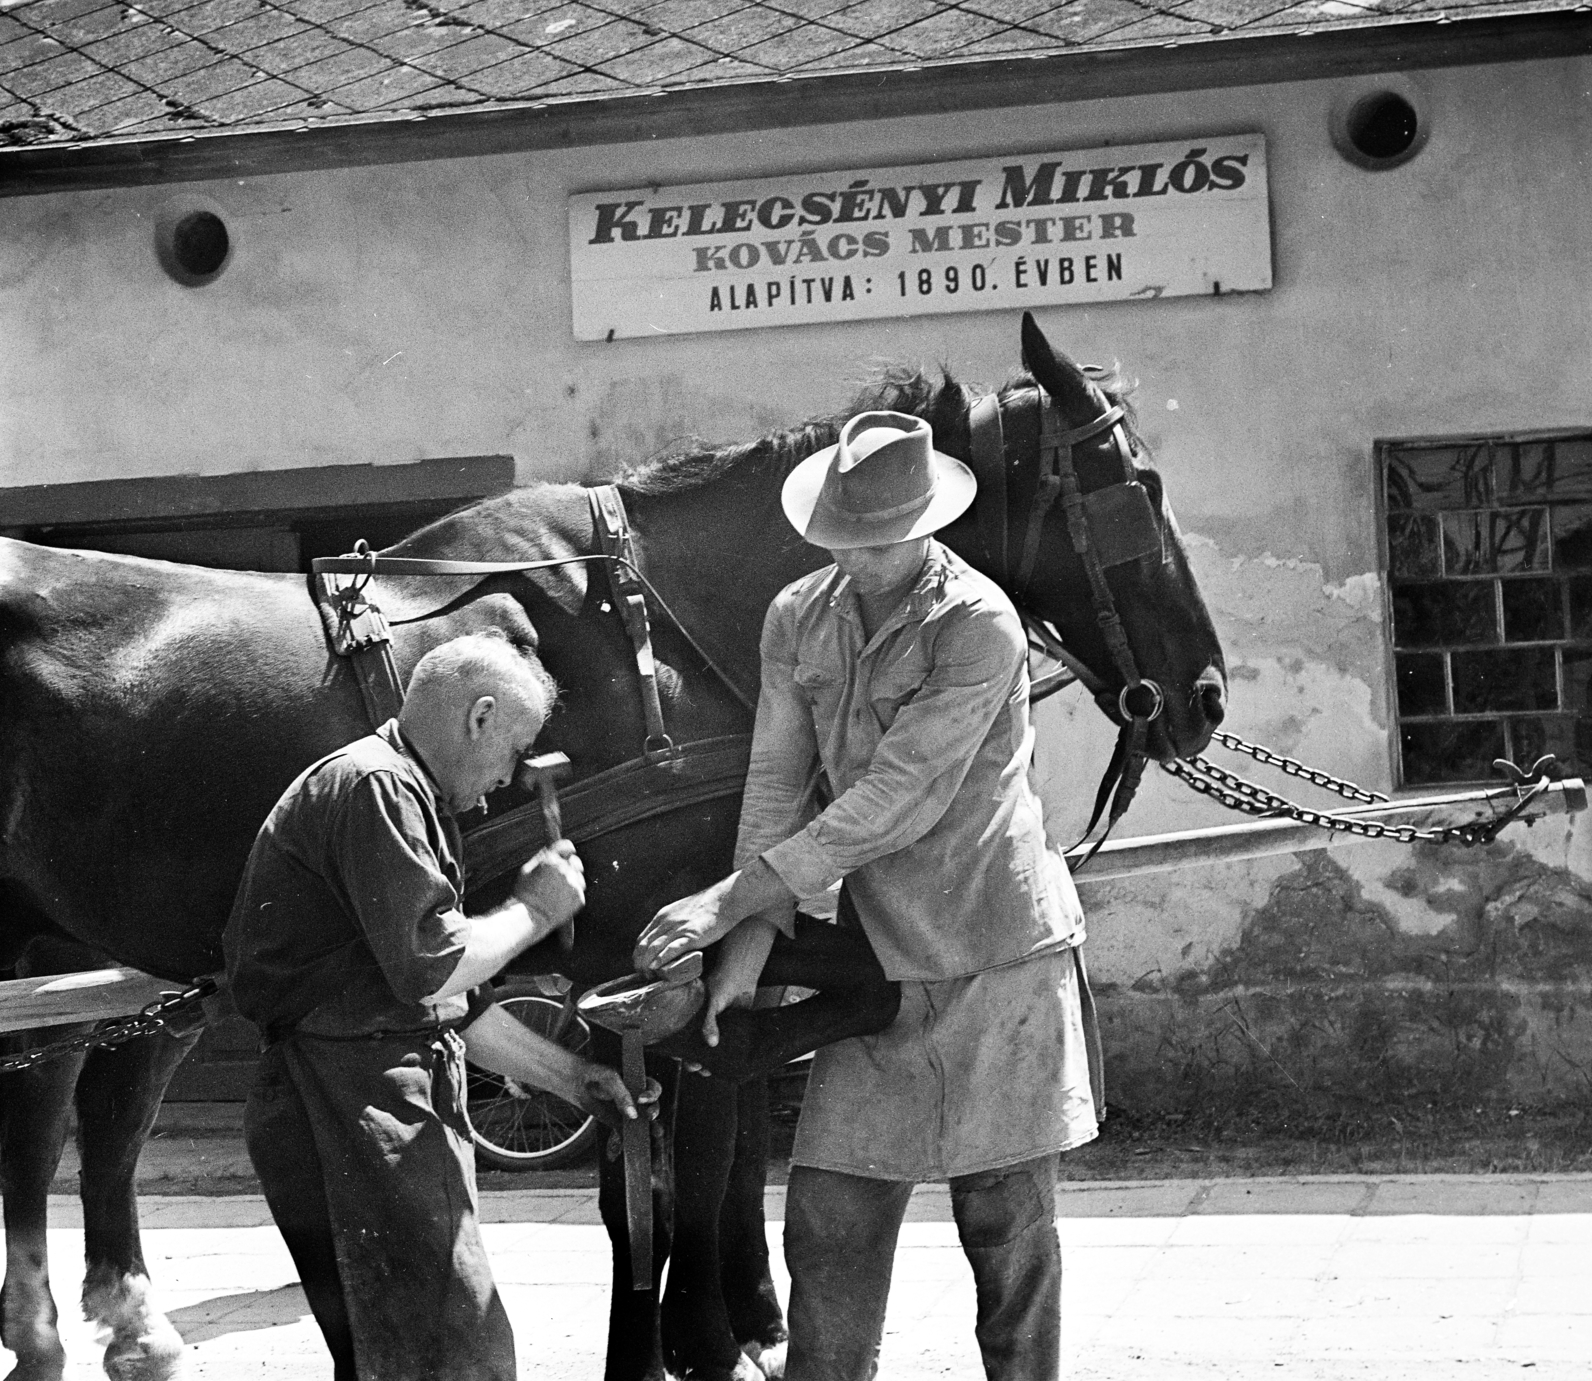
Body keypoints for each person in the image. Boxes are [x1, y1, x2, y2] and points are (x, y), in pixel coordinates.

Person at [635, 410, 1100, 1381]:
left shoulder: (978, 624)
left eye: (882, 538)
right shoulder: (797, 615)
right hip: (878, 970)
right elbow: (775, 783)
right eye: (847, 540)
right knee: (828, 1221)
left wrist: (723, 902)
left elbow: (898, 798)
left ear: (926, 525)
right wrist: (748, 957)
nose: (864, 559)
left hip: (997, 957)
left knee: (1007, 1234)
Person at [225, 630, 651, 1381]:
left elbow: (458, 1005)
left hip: (371, 1100)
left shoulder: (402, 793)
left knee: (412, 1356)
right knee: (461, 1356)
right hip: (352, 1107)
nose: (514, 774)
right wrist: (535, 908)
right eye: (516, 748)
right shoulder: (376, 786)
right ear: (479, 717)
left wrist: (575, 1079)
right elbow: (434, 966)